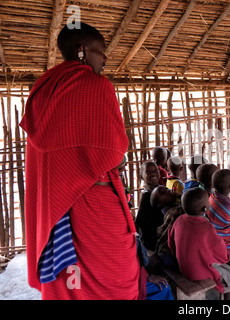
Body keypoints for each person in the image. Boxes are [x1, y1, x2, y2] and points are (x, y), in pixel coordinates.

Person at [19, 23, 140, 299]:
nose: (105, 59)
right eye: (101, 52)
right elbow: (115, 150)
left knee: (71, 280)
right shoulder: (96, 86)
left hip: (56, 201)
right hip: (93, 199)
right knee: (117, 275)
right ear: (83, 51)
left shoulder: (43, 87)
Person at [168, 188, 230, 299]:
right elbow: (221, 253)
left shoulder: (179, 220)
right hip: (198, 272)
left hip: (183, 267)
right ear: (205, 208)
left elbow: (171, 243)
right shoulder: (207, 227)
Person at [151, 185, 183, 268]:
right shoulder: (175, 212)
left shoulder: (175, 208)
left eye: (166, 188)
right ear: (160, 204)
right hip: (169, 257)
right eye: (162, 193)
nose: (168, 191)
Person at [135, 161, 164, 251]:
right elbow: (140, 221)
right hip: (153, 242)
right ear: (141, 176)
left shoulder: (159, 189)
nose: (153, 174)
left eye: (155, 170)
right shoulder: (147, 195)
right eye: (148, 172)